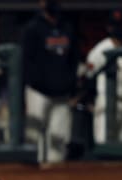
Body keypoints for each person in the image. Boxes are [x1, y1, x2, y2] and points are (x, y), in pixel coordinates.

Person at [21, 0, 80, 163]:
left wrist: (72, 87)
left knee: (59, 136)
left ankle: (55, 176)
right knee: (34, 137)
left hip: (62, 92)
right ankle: (35, 173)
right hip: (38, 91)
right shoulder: (32, 29)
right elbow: (26, 62)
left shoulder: (68, 27)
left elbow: (74, 59)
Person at [85, 10, 122, 144]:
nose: (119, 28)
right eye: (115, 25)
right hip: (106, 103)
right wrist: (89, 100)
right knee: (105, 145)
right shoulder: (100, 50)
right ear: (109, 27)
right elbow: (88, 77)